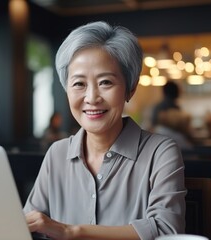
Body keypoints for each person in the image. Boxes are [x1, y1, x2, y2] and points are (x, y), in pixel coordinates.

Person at [24, 21, 186, 240]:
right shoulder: (57, 153)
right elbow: (29, 226)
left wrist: (71, 232)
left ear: (130, 88)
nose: (91, 98)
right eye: (79, 84)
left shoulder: (160, 152)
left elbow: (167, 231)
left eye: (106, 82)